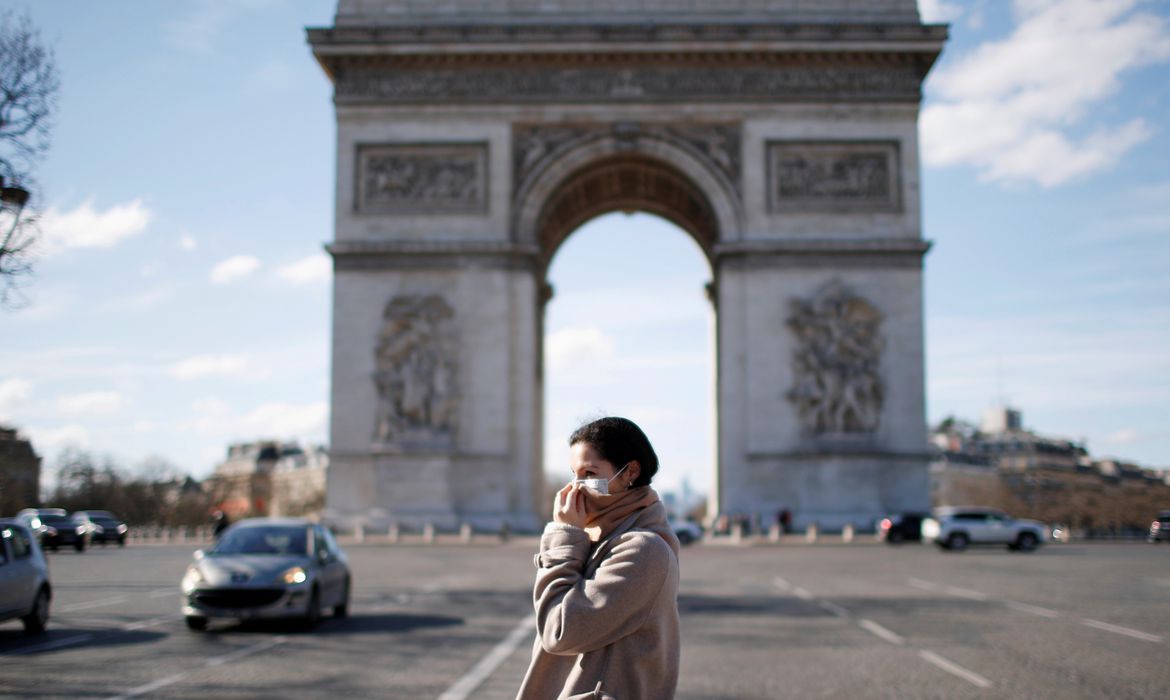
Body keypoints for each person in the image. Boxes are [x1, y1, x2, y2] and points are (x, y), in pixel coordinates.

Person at [516, 417, 680, 700]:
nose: (577, 487)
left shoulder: (644, 550)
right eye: (574, 474)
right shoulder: (596, 537)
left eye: (590, 473)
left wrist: (564, 537)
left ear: (630, 472)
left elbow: (560, 632)